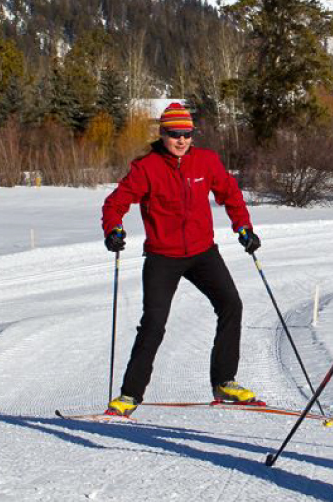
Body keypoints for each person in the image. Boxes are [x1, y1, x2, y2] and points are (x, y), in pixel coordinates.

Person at [101, 102, 263, 416]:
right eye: (174, 134)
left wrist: (243, 227)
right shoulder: (146, 167)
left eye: (187, 134)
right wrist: (113, 229)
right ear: (162, 134)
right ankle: (129, 395)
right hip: (163, 256)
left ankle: (224, 383)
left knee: (231, 304)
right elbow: (115, 204)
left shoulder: (205, 162)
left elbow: (230, 193)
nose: (181, 140)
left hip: (203, 252)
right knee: (154, 324)